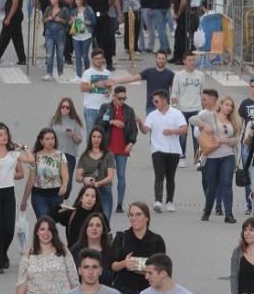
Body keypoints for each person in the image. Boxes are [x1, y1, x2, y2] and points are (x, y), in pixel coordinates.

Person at [0, 123, 34, 273]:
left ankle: (0, 253)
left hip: (8, 193)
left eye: (6, 134)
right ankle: (0, 262)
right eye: (1, 134)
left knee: (8, 229)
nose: (5, 136)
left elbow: (31, 159)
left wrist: (23, 146)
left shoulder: (13, 154)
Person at [191, 95, 240, 223]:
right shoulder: (210, 115)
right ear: (220, 105)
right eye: (226, 105)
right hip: (211, 156)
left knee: (227, 184)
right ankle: (207, 211)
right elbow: (192, 119)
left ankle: (229, 214)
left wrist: (223, 140)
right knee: (211, 186)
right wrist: (203, 125)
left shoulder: (234, 120)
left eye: (231, 106)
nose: (229, 108)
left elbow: (236, 140)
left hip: (228, 156)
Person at [137, 89, 187, 212]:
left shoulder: (176, 113)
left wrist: (172, 131)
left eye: (156, 100)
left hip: (173, 150)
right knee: (159, 175)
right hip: (157, 149)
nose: (154, 103)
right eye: (153, 101)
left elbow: (184, 129)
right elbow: (145, 131)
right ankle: (158, 200)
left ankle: (170, 201)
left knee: (170, 177)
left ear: (164, 100)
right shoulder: (152, 115)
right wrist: (139, 123)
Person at [94, 85, 138, 213]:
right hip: (108, 148)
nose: (122, 101)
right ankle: (103, 200)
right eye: (120, 98)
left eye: (124, 98)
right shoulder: (106, 108)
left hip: (122, 149)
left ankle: (119, 203)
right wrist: (111, 122)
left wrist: (131, 143)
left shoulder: (129, 110)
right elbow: (98, 124)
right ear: (114, 96)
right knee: (105, 176)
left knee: (121, 176)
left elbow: (134, 130)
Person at [20, 128, 68, 218]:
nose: (50, 141)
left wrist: (64, 185)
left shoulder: (60, 155)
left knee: (51, 223)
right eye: (47, 139)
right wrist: (24, 200)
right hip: (39, 195)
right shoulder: (35, 156)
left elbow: (65, 173)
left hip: (56, 194)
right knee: (43, 219)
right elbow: (31, 179)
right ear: (41, 141)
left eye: (52, 138)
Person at [113, 50, 175, 114]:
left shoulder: (170, 74)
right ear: (156, 59)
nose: (161, 60)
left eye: (163, 58)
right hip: (150, 107)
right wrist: (116, 81)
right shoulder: (149, 72)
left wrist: (173, 107)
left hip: (164, 107)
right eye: (159, 58)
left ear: (166, 60)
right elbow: (132, 78)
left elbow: (174, 92)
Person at [76, 126, 115, 224]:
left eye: (99, 137)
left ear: (103, 139)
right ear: (90, 138)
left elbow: (110, 177)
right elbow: (78, 177)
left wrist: (98, 183)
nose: (96, 139)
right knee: (87, 222)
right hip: (88, 192)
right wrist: (85, 179)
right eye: (94, 136)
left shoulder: (108, 155)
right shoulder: (84, 156)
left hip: (104, 191)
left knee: (105, 221)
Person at [171, 52, 205, 166]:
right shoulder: (179, 75)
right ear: (184, 61)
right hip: (182, 109)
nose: (192, 62)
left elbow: (203, 93)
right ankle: (182, 157)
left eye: (193, 60)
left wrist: (205, 110)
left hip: (197, 109)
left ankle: (198, 158)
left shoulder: (200, 75)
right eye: (189, 60)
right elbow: (174, 93)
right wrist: (174, 109)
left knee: (198, 135)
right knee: (182, 135)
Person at [83, 0, 119, 70]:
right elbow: (82, 2)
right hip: (93, 18)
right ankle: (97, 63)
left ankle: (109, 63)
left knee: (107, 40)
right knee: (95, 41)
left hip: (104, 16)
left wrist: (109, 4)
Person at [49, 97, 83, 198]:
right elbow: (46, 135)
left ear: (71, 109)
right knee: (56, 180)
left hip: (69, 155)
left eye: (67, 107)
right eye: (63, 107)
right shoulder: (53, 120)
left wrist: (73, 135)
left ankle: (63, 196)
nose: (65, 109)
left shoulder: (75, 122)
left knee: (67, 184)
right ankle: (57, 200)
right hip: (55, 155)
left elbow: (79, 140)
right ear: (59, 108)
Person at [238, 74, 254, 215]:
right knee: (249, 172)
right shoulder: (245, 103)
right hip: (248, 143)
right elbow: (240, 123)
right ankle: (251, 204)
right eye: (252, 86)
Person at [71, 213, 113, 285]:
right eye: (91, 225)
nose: (94, 228)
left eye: (98, 225)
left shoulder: (110, 250)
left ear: (103, 230)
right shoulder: (76, 249)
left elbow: (111, 276)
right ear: (86, 229)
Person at [80, 48, 111, 136]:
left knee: (104, 134)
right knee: (91, 134)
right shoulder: (87, 73)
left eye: (100, 58)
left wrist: (108, 92)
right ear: (92, 60)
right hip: (90, 108)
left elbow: (110, 87)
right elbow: (82, 88)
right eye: (96, 59)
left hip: (104, 109)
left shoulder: (107, 73)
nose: (99, 61)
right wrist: (96, 85)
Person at [42, 0, 70, 81]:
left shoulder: (64, 9)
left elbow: (68, 22)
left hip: (60, 34)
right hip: (49, 33)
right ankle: (49, 73)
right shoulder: (48, 8)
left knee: (60, 54)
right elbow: (43, 19)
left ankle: (60, 73)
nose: (51, 0)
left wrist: (61, 20)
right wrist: (48, 19)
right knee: (49, 54)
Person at [69, 0, 96, 82]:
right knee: (77, 56)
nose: (78, 2)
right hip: (76, 35)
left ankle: (87, 74)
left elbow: (93, 22)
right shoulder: (73, 10)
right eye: (76, 0)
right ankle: (78, 75)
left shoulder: (88, 9)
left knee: (85, 55)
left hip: (86, 35)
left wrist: (84, 22)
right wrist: (72, 21)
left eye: (80, 0)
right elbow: (69, 22)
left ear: (83, 0)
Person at [170, 0, 188, 64]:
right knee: (178, 36)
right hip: (180, 16)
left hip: (182, 16)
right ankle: (176, 56)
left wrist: (178, 13)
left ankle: (181, 58)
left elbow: (183, 2)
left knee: (181, 37)